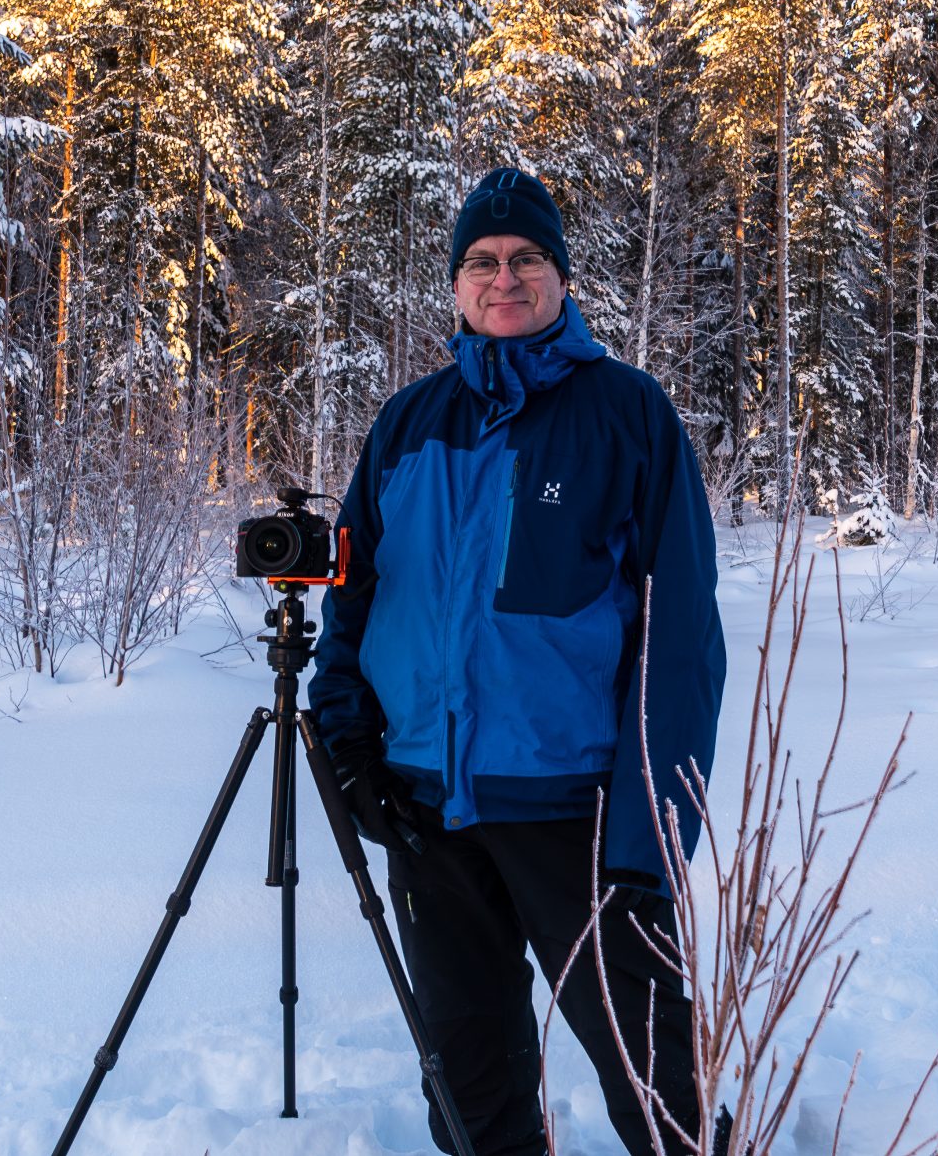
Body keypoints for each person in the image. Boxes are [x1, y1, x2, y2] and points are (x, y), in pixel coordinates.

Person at [311, 166, 726, 1156]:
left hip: (577, 817)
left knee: (650, 1078)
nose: (504, 277)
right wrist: (348, 745)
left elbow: (680, 644)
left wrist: (650, 839)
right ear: (456, 286)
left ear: (561, 279)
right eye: (482, 261)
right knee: (469, 1083)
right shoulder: (408, 425)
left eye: (526, 258)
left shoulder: (626, 415)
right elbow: (352, 600)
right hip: (428, 813)